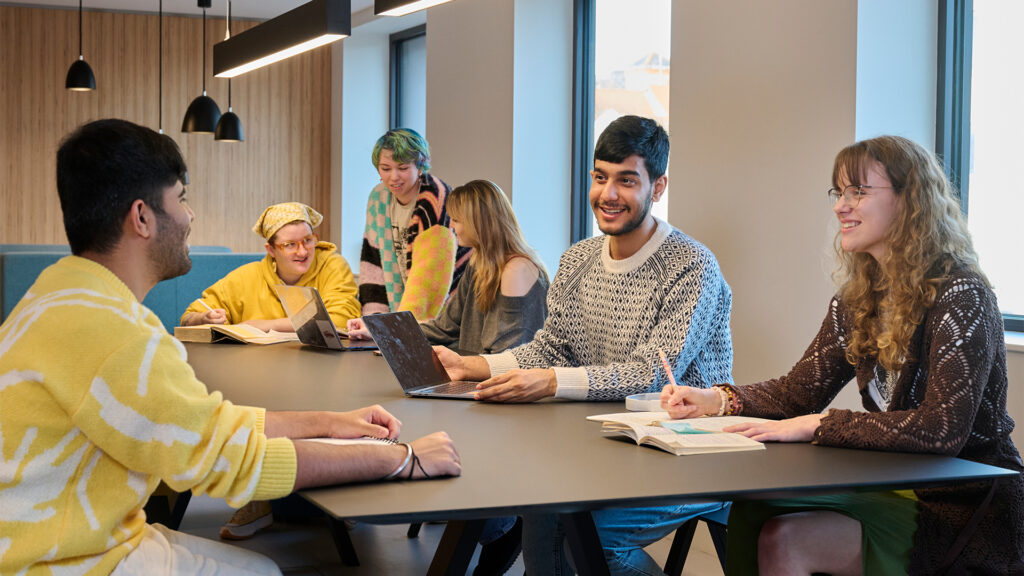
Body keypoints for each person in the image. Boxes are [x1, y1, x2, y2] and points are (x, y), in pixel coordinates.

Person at [0, 119, 461, 576]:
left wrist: (334, 422)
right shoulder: (115, 333)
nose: (190, 216)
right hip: (54, 559)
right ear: (141, 217)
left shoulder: (59, 294)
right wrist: (403, 457)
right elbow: (237, 461)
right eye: (181, 199)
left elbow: (213, 426)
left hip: (71, 534)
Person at [661, 135, 1024, 575]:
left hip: (964, 504)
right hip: (896, 482)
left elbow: (942, 430)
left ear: (911, 201)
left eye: (858, 192)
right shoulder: (858, 299)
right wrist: (716, 400)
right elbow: (798, 392)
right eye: (839, 192)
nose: (840, 206)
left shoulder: (963, 295)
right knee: (752, 510)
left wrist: (820, 424)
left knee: (784, 538)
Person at [435, 116, 734, 575]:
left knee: (584, 536)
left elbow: (649, 374)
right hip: (602, 442)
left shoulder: (691, 265)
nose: (608, 194)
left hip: (686, 454)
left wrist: (551, 382)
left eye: (626, 180)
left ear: (658, 187)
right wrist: (472, 365)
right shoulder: (577, 259)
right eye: (600, 177)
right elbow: (551, 348)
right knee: (543, 507)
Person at [350, 179, 549, 575]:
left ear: (480, 220)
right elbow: (443, 327)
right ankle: (493, 528)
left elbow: (504, 357)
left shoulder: (517, 270)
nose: (451, 227)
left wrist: (456, 362)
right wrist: (379, 328)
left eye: (456, 219)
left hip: (508, 404)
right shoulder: (480, 264)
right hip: (477, 391)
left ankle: (505, 526)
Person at [179, 202, 360, 332]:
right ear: (271, 250)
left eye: (307, 240)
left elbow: (340, 320)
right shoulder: (246, 277)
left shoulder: (332, 266)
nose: (303, 252)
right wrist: (204, 318)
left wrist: (265, 326)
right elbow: (189, 317)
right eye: (290, 245)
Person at [358, 128, 470, 321]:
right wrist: (374, 321)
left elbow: (431, 281)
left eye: (402, 168)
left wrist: (397, 327)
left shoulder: (436, 198)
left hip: (448, 311)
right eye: (385, 168)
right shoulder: (378, 198)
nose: (393, 177)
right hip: (405, 314)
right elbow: (373, 262)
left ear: (420, 166)